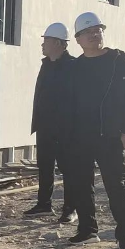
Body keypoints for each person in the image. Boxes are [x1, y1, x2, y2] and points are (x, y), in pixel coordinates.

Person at [68, 12, 125, 249]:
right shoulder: (75, 68)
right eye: (88, 32)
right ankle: (88, 230)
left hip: (110, 136)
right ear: (78, 39)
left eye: (97, 30)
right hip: (81, 136)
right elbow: (67, 104)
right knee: (81, 185)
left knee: (116, 186)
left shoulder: (120, 61)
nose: (94, 34)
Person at [24, 22, 77, 223]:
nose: (42, 44)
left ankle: (70, 208)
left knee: (68, 168)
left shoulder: (72, 66)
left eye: (45, 40)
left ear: (57, 42)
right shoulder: (46, 65)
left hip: (65, 129)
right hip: (45, 126)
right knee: (45, 166)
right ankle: (44, 204)